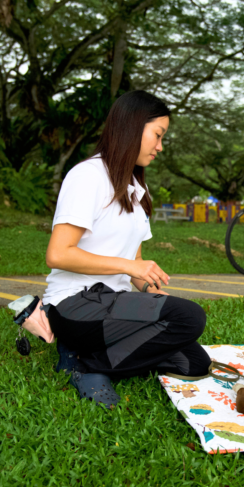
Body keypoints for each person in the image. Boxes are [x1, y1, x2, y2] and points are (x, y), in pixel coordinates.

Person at [42, 90, 210, 407]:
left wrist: (148, 288)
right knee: (190, 318)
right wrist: (130, 267)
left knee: (194, 361)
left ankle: (87, 352)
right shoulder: (87, 176)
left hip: (113, 302)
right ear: (133, 126)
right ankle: (86, 365)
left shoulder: (136, 188)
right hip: (75, 305)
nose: (160, 147)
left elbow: (134, 263)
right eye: (158, 135)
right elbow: (59, 253)